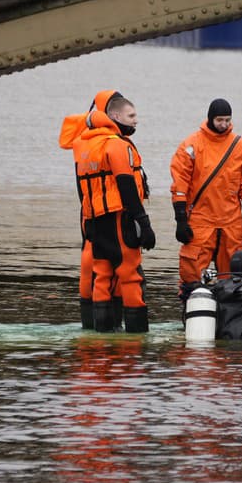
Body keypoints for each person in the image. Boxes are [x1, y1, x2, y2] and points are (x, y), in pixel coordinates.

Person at [74, 94, 155, 332]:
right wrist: (144, 222)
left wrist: (87, 222)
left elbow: (83, 190)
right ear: (115, 117)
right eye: (131, 116)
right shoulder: (117, 145)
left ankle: (101, 335)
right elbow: (126, 185)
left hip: (96, 221)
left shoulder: (84, 146)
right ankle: (136, 334)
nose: (136, 121)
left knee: (102, 276)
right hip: (119, 219)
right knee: (130, 276)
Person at [169, 98, 242, 300]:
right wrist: (181, 220)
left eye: (227, 120)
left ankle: (229, 316)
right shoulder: (192, 145)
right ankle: (191, 313)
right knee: (191, 275)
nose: (224, 125)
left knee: (234, 278)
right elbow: (179, 186)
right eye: (220, 120)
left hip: (231, 221)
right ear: (210, 118)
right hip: (200, 220)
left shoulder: (240, 146)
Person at [59, 89, 124, 329]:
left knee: (93, 273)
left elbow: (82, 186)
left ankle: (94, 328)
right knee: (106, 273)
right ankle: (109, 328)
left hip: (89, 216)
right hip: (102, 216)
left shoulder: (83, 142)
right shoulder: (108, 143)